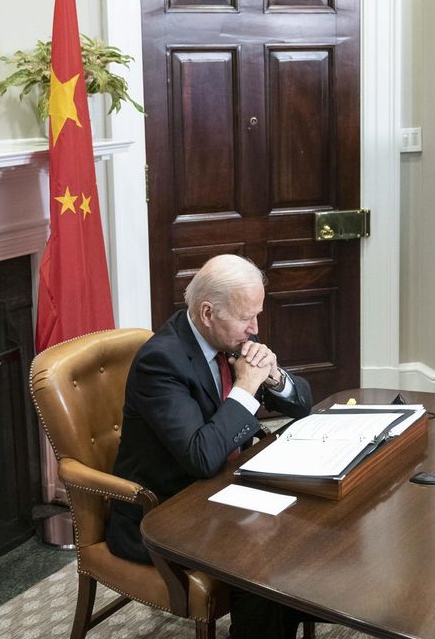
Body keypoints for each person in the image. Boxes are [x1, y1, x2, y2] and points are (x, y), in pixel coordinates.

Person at [106, 254, 314, 639]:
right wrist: (247, 387)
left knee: (305, 522)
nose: (255, 329)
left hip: (223, 489)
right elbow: (201, 456)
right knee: (261, 560)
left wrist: (273, 378)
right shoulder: (161, 362)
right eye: (246, 318)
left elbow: (302, 405)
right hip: (166, 510)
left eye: (257, 315)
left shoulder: (228, 336)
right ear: (207, 313)